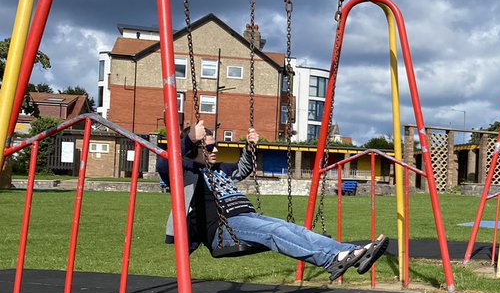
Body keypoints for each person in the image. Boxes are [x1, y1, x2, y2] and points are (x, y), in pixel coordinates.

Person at [157, 120, 387, 280]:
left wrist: (249, 147)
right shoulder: (185, 172)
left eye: (215, 144)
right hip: (224, 229)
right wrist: (187, 139)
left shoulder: (218, 169)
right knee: (275, 233)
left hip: (247, 219)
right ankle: (332, 258)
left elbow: (242, 168)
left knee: (292, 229)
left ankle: (352, 253)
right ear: (192, 149)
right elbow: (164, 163)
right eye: (208, 146)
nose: (215, 149)